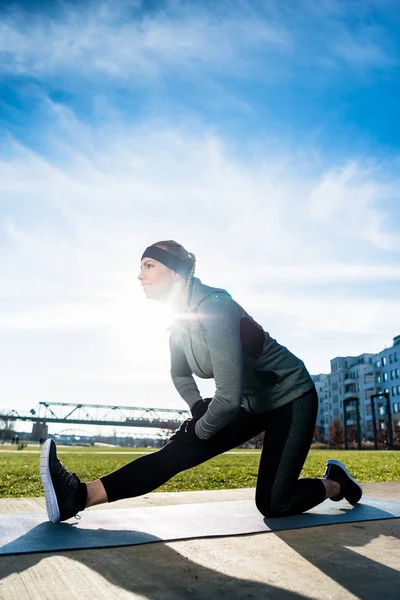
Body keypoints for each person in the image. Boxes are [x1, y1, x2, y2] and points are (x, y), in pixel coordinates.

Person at [40, 240, 362, 523]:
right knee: (177, 451)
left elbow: (228, 397)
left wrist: (200, 429)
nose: (140, 275)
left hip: (291, 396)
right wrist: (196, 409)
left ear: (177, 272)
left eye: (149, 265)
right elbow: (179, 374)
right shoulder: (178, 325)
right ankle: (77, 497)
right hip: (251, 402)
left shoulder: (215, 307)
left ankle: (334, 482)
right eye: (140, 267)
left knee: (273, 504)